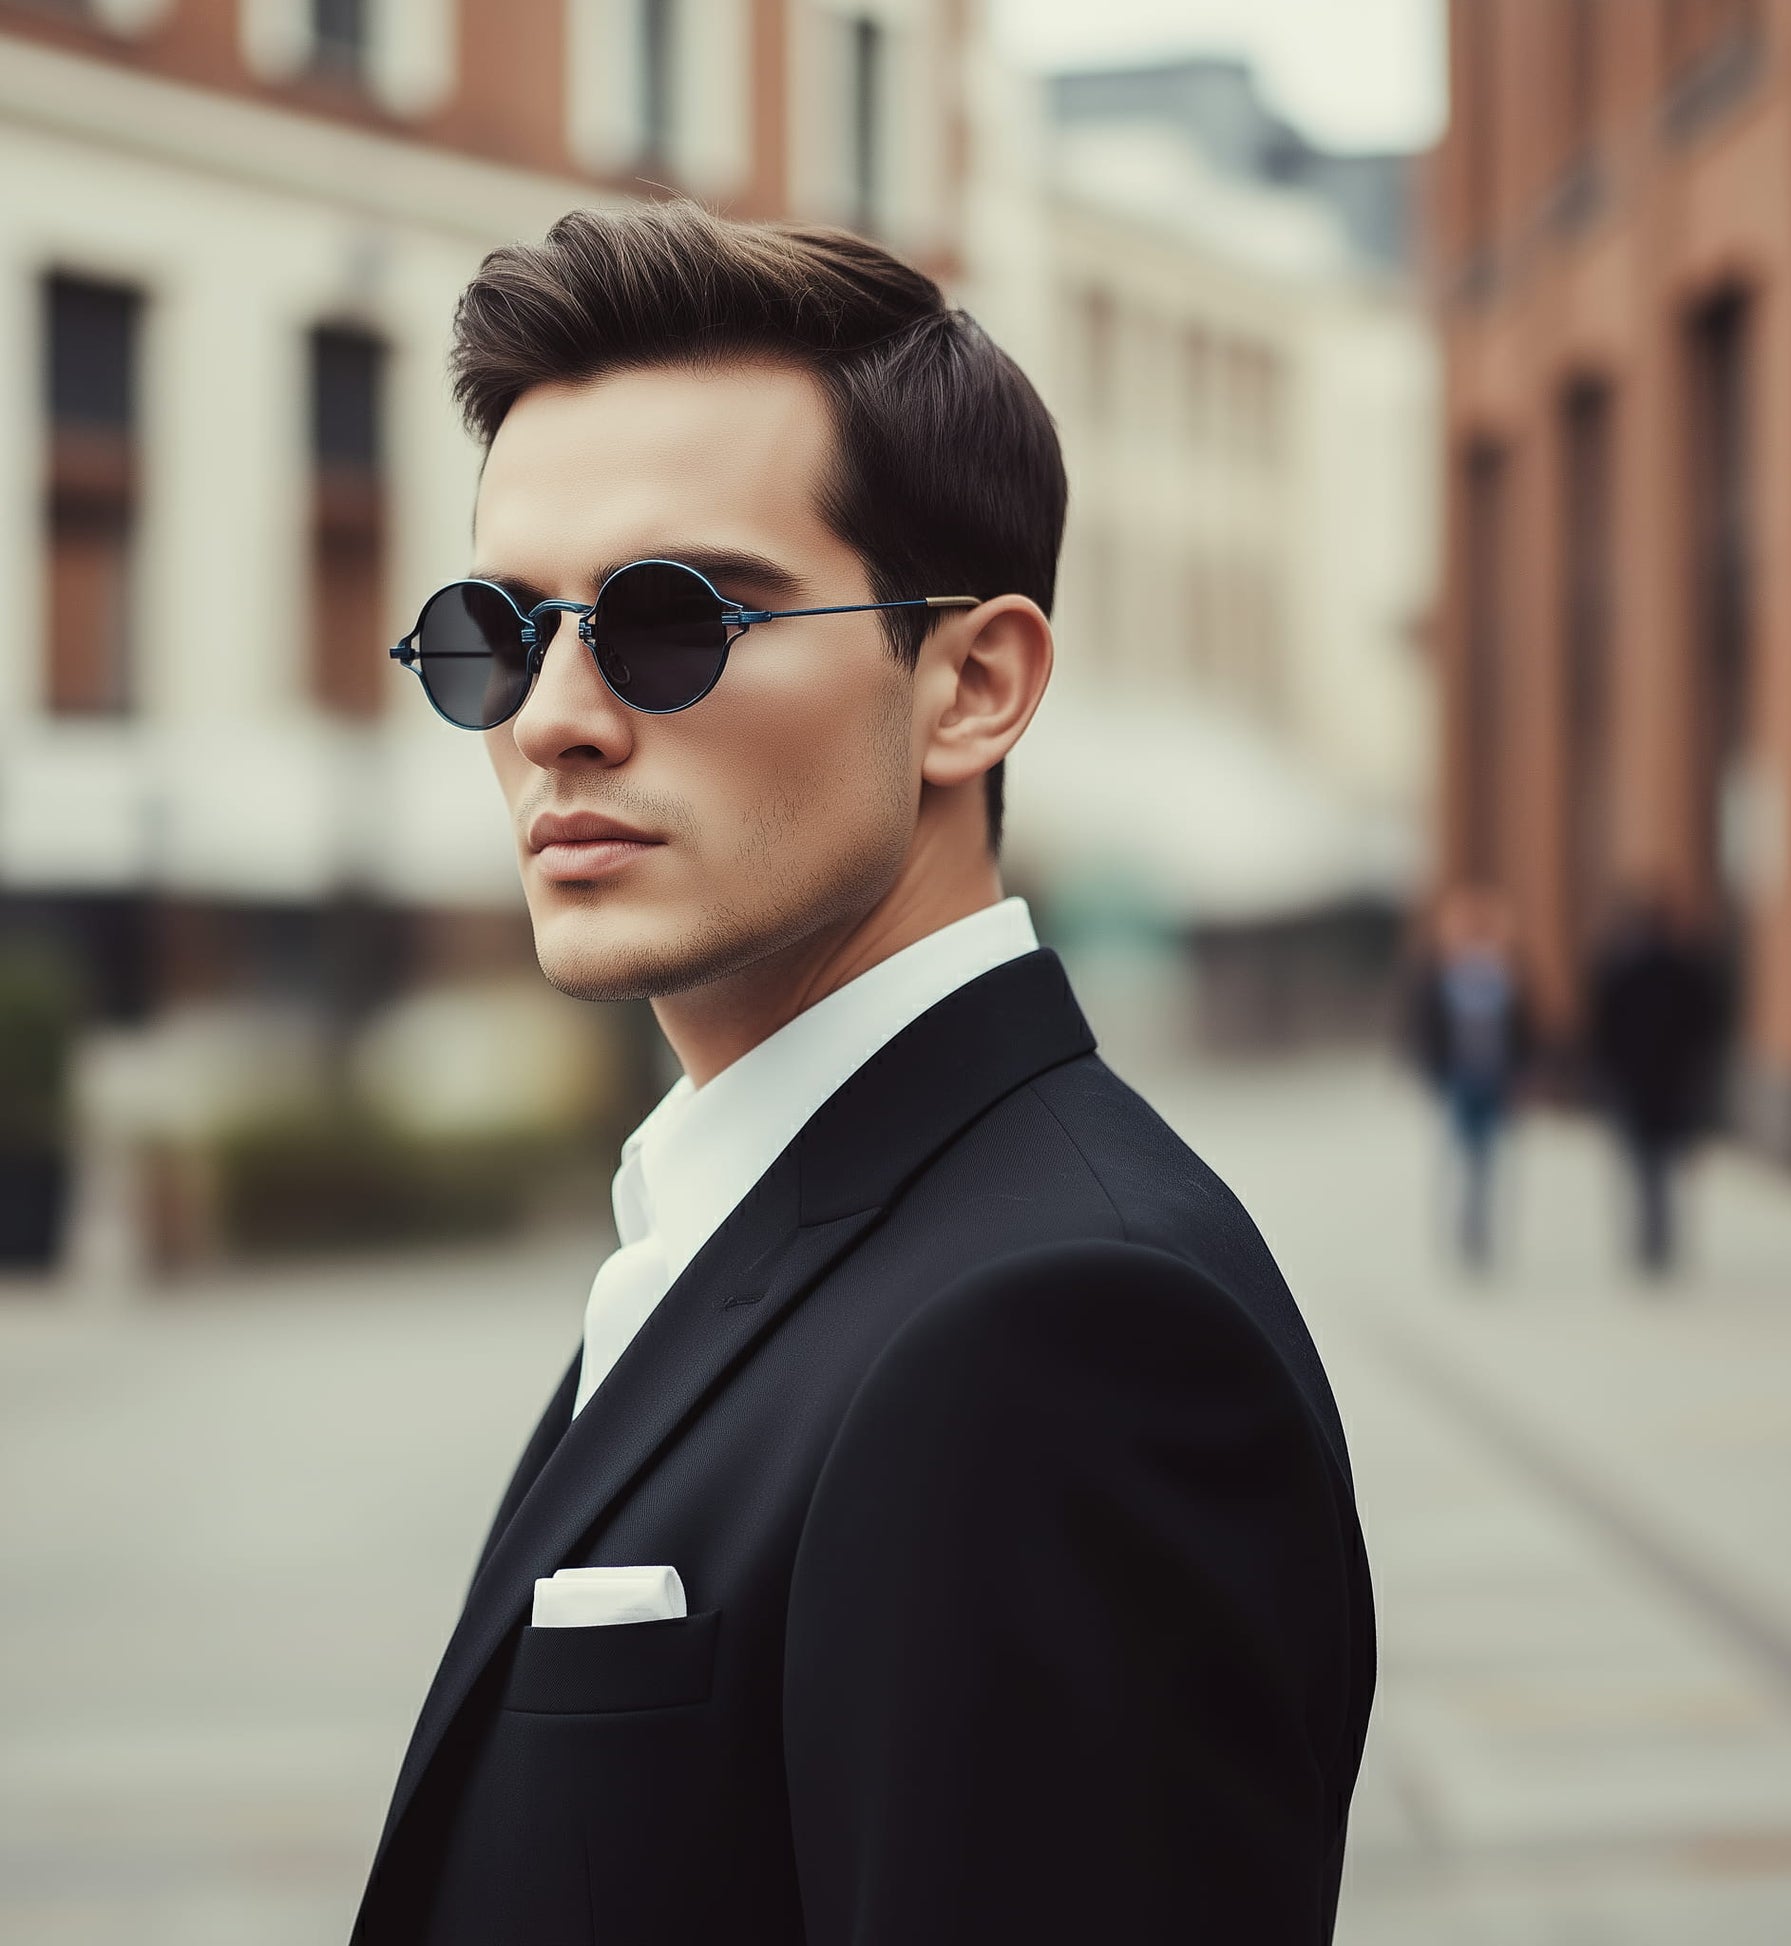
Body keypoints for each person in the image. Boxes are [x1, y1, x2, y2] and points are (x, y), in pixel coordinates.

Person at [351, 202, 1373, 1946]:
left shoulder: (1059, 1334)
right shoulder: (769, 1216)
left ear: (972, 684)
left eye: (674, 619)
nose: (554, 718)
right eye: (499, 632)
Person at [1587, 892, 1730, 1276]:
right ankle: (1661, 1238)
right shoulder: (1686, 968)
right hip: (1672, 1084)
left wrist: (1606, 1074)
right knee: (1664, 1166)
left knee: (1642, 1167)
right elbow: (1709, 1026)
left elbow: (1601, 1030)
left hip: (1635, 1085)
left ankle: (1649, 1239)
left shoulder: (1619, 968)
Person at [1408, 884, 1528, 1270]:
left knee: (1486, 1159)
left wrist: (1522, 1069)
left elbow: (1524, 1026)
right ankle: (1463, 1228)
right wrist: (1433, 1068)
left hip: (1493, 1077)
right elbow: (1424, 1025)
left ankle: (1478, 1230)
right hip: (1458, 1077)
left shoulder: (1505, 972)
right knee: (1460, 1155)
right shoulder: (1442, 971)